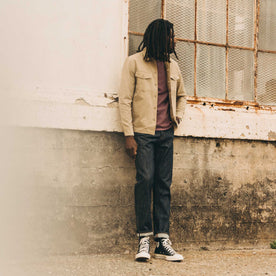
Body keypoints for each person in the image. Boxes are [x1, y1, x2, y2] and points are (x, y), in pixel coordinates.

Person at [118, 19, 186, 262]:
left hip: (166, 134)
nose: (173, 40)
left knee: (163, 184)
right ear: (158, 37)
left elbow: (182, 96)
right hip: (143, 134)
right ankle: (144, 238)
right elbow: (125, 100)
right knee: (144, 180)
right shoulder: (134, 62)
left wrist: (177, 116)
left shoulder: (173, 67)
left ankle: (162, 240)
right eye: (170, 36)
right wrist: (128, 134)